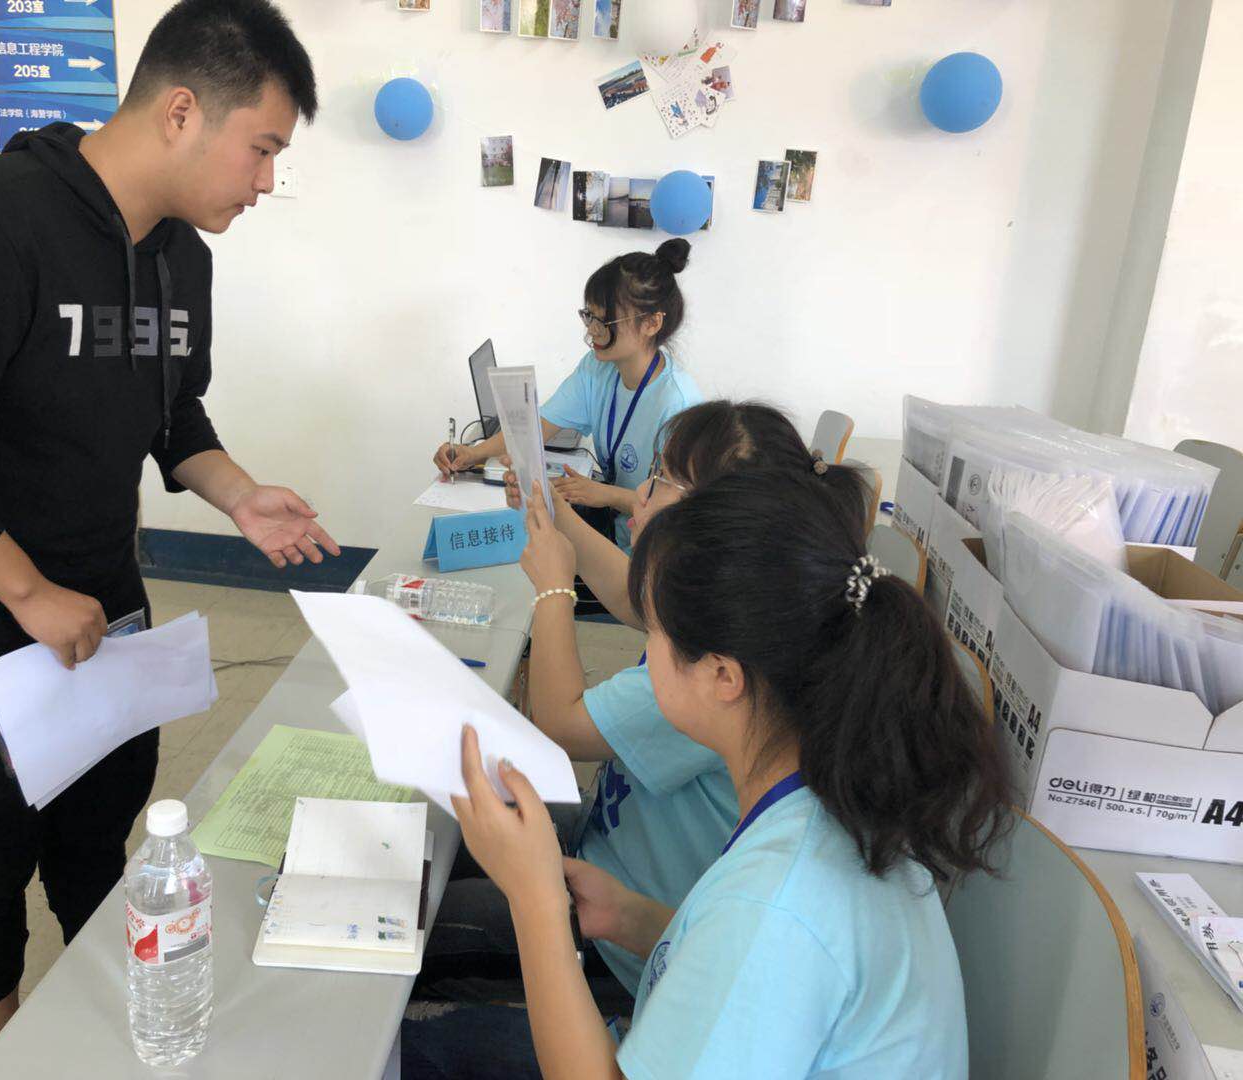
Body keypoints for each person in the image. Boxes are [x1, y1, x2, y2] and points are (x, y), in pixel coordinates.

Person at [0, 0, 334, 1059]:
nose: (265, 182)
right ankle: (2, 1049)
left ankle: (110, 1008)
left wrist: (238, 494)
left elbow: (172, 412)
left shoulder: (182, 258)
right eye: (261, 149)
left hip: (93, 585)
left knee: (100, 809)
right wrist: (25, 594)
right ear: (181, 111)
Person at [404, 469, 1012, 1078]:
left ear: (724, 676)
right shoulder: (828, 794)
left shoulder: (780, 903)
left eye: (655, 631)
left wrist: (535, 900)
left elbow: (760, 942)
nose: (646, 651)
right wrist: (631, 916)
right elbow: (746, 970)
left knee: (414, 1050)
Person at [418, 402, 869, 1017]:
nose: (638, 494)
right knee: (437, 847)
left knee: (427, 922)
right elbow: (637, 598)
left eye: (660, 480)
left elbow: (560, 724)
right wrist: (555, 518)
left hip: (625, 948)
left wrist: (554, 590)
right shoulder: (749, 619)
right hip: (617, 879)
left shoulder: (714, 678)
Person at [432, 240, 701, 554]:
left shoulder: (678, 406)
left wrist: (603, 494)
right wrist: (471, 454)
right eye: (589, 316)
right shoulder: (598, 368)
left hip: (651, 554)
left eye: (605, 322)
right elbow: (536, 427)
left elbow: (681, 512)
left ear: (651, 323)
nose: (592, 332)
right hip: (615, 533)